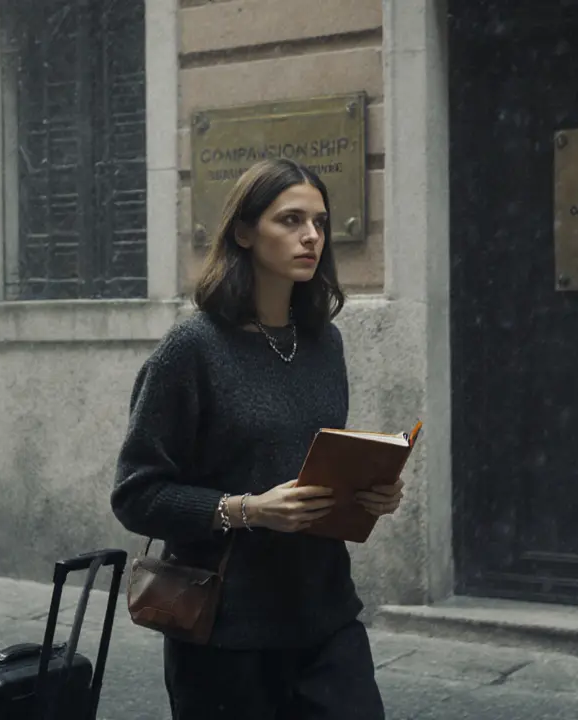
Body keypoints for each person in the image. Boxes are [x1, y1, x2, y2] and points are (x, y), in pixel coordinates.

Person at [110, 158, 404, 719]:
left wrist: (370, 494)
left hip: (326, 617)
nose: (311, 236)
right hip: (225, 629)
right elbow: (136, 495)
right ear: (244, 232)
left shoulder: (324, 342)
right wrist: (248, 510)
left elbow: (314, 467)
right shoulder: (191, 350)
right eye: (290, 220)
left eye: (319, 221)